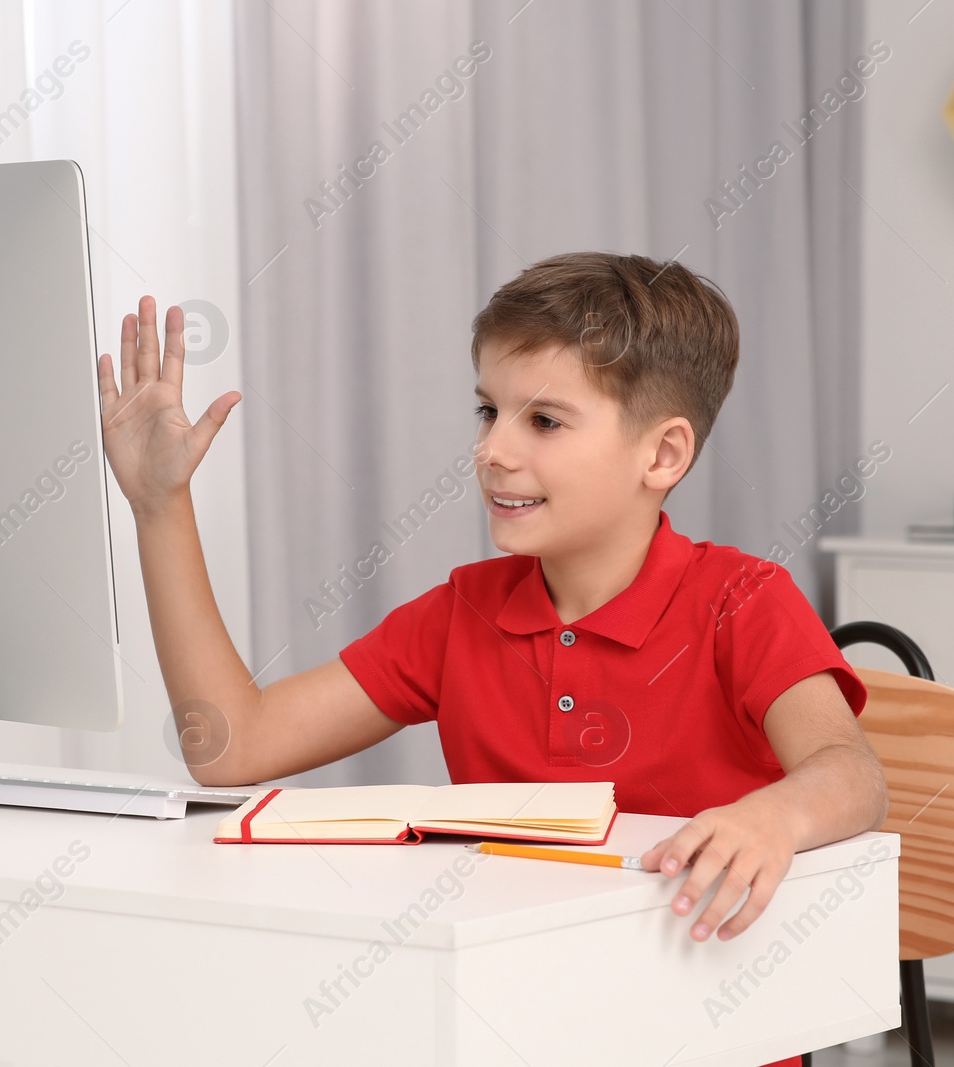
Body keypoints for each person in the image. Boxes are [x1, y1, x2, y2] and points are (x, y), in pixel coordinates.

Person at [98, 252, 888, 1067]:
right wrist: (161, 510)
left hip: (701, 1033)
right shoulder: (462, 613)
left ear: (662, 455)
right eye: (488, 411)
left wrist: (776, 816)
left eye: (543, 421)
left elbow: (853, 773)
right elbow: (234, 747)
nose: (492, 449)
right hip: (505, 1023)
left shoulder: (741, 601)